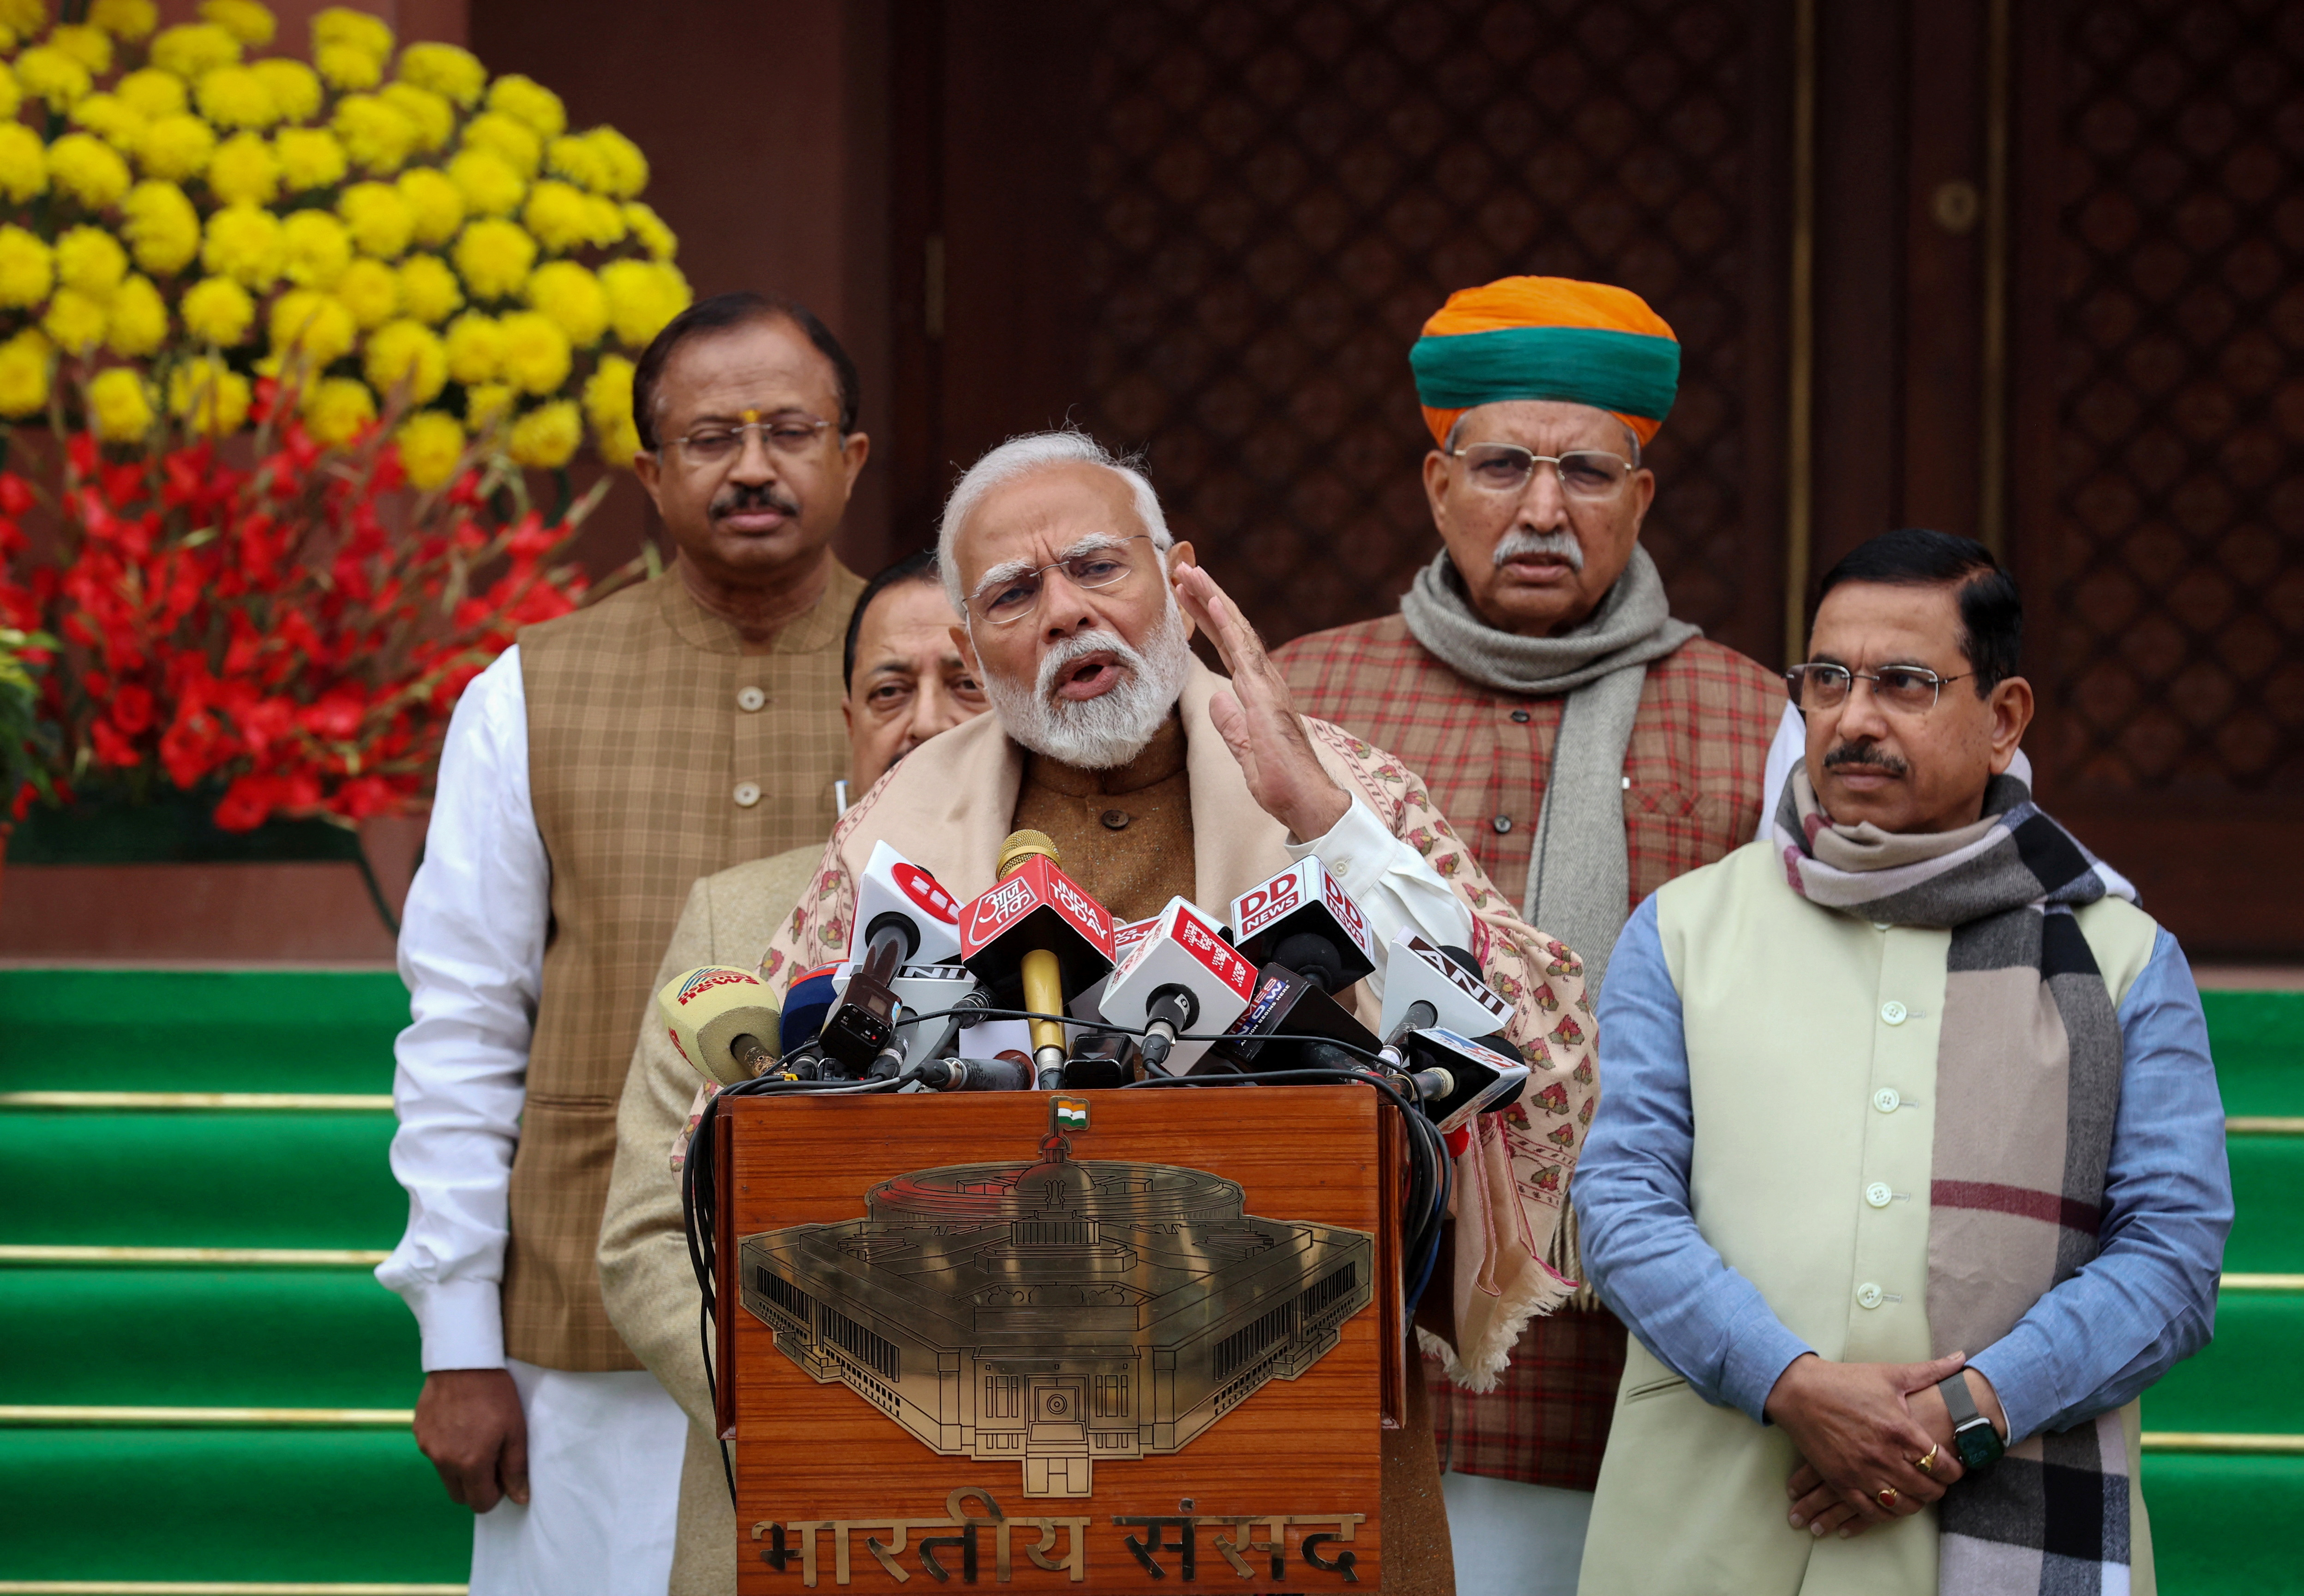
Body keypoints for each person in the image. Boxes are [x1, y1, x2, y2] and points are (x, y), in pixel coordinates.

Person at [690, 428, 1603, 1596]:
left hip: (1296, 1483)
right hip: (968, 1494)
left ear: (1178, 578)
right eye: (1017, 594)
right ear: (974, 646)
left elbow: (1540, 1057)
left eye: (1096, 568)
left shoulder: (1339, 780)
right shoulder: (897, 827)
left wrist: (1321, 815)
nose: (1067, 612)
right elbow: (744, 1144)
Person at [1574, 528, 2230, 1595]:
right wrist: (1788, 1381)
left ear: (2005, 719)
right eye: (1826, 679)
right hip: (1714, 1515)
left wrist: (1961, 1417)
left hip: (2002, 1509)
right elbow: (1618, 1200)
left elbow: (2172, 1251)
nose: (1855, 718)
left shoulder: (2123, 958)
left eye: (1906, 684)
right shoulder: (1685, 929)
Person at [1272, 275, 1783, 1580]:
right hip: (1347, 1333)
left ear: (1643, 497)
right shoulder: (1299, 695)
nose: (1544, 510)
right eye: (1503, 466)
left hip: (1636, 1364)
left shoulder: (1756, 719)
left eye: (1589, 474)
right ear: (1439, 485)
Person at [377, 289, 875, 1594]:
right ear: (651, 472)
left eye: (789, 430)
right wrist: (457, 1341)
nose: (754, 466)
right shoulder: (526, 694)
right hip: (579, 1345)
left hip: (888, 1317)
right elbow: (465, 1026)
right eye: (712, 438)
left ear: (851, 457)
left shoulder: (938, 676)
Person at [595, 548, 985, 1595]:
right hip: (786, 1491)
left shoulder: (1083, 922)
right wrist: (821, 1398)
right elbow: (643, 1236)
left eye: (966, 683)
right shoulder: (740, 914)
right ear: (851, 717)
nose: (927, 719)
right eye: (891, 690)